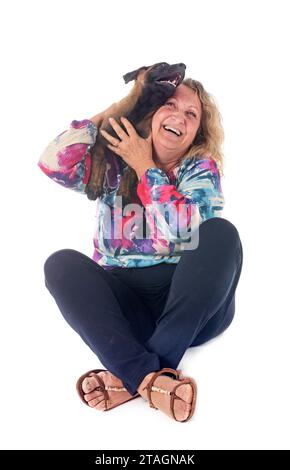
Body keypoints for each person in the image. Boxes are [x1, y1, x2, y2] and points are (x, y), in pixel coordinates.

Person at [38, 78, 243, 423]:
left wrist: (145, 166)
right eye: (171, 105)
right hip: (127, 304)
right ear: (151, 112)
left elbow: (186, 230)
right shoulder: (112, 165)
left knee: (221, 234)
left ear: (197, 133)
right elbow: (52, 165)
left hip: (191, 305)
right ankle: (152, 381)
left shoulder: (200, 169)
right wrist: (115, 111)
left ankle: (129, 377)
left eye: (191, 114)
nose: (179, 116)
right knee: (60, 265)